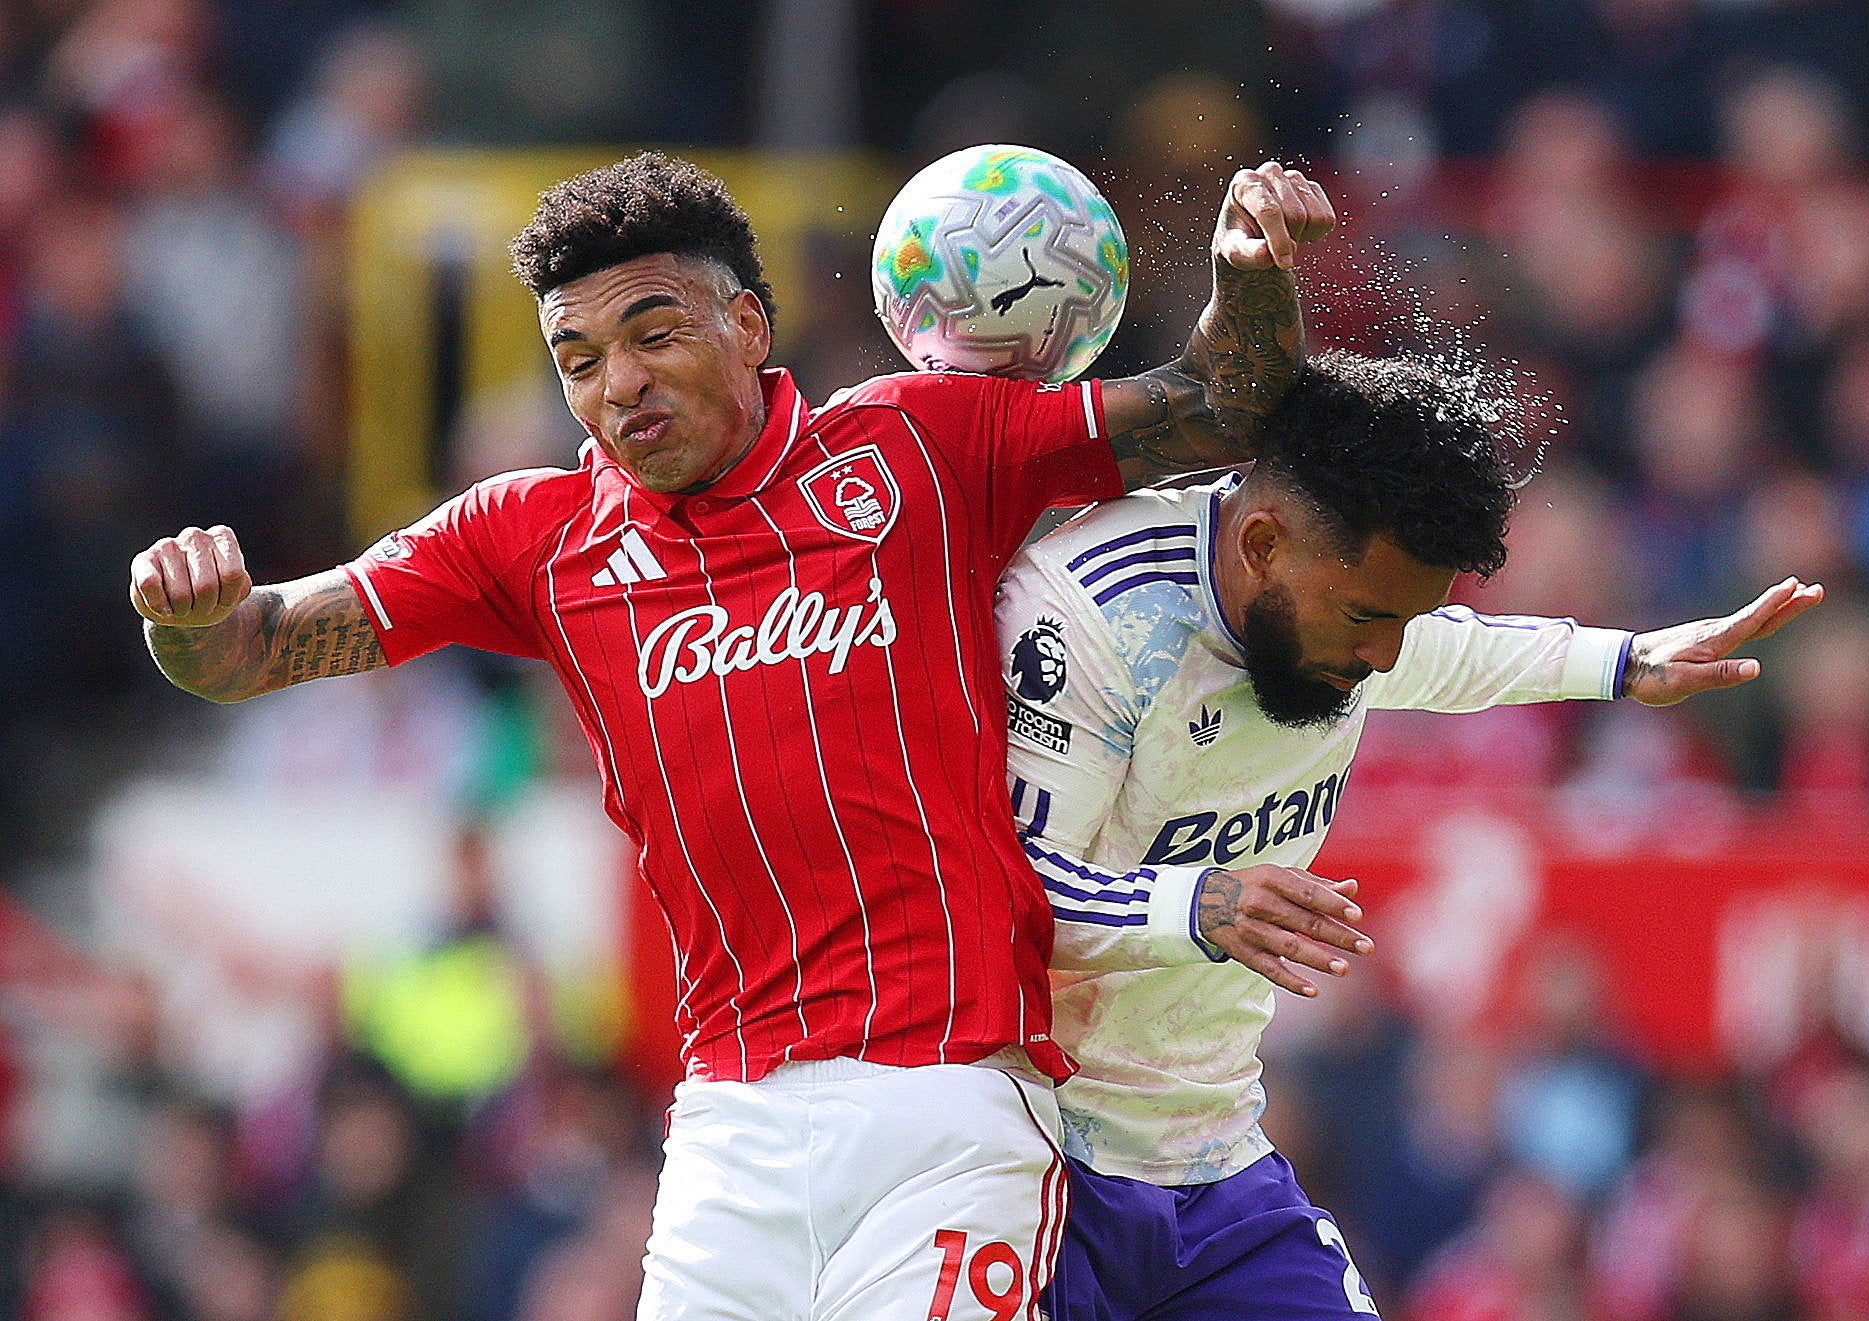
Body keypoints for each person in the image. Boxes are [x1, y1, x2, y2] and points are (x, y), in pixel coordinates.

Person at [126, 150, 1340, 1320]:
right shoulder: (533, 539)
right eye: (579, 358)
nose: (620, 384)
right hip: (724, 1130)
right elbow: (246, 652)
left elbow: (1217, 407)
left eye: (655, 333)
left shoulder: (915, 446)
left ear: (750, 328)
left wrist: (1253, 276)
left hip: (950, 1106)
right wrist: (190, 616)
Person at [994, 350, 1824, 1320]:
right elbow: (1002, 894)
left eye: (1406, 620)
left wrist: (1627, 661)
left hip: (1209, 1161)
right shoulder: (1091, 623)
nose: (1382, 659)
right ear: (1262, 544)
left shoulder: (1329, 597)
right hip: (1035, 1164)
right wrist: (1201, 902)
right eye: (1367, 620)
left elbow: (1434, 647)